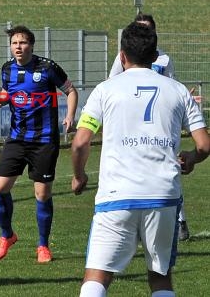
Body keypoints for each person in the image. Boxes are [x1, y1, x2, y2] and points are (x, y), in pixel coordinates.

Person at [71, 21, 210, 297]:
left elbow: (80, 142)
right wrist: (191, 158)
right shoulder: (178, 90)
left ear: (122, 56)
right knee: (159, 278)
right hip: (163, 195)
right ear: (155, 55)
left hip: (116, 196)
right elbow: (204, 144)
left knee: (97, 276)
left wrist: (79, 175)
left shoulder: (105, 89)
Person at [0, 25, 78, 263]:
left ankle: (43, 246)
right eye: (15, 43)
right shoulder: (7, 69)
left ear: (31, 45)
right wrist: (0, 100)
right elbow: (6, 93)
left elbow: (70, 90)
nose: (18, 47)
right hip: (17, 138)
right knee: (0, 188)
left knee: (41, 193)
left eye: (23, 43)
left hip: (44, 140)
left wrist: (70, 116)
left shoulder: (47, 67)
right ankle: (7, 236)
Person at [108, 13, 190, 241]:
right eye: (138, 28)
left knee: (169, 169)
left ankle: (180, 220)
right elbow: (112, 83)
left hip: (161, 126)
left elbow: (172, 87)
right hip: (133, 125)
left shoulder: (163, 59)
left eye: (146, 29)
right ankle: (131, 222)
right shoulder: (123, 57)